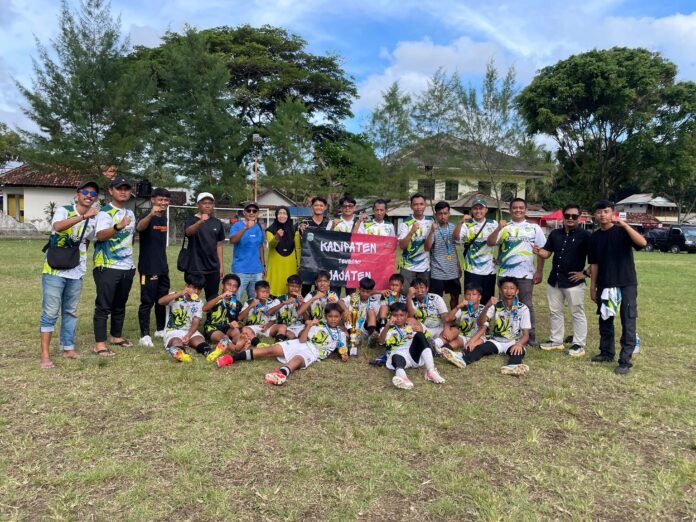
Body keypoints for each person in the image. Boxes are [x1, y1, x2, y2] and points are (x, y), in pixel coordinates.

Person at [39, 181, 99, 369]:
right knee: (50, 312)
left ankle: (68, 348)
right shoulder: (64, 210)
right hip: (54, 270)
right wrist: (83, 216)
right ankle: (45, 354)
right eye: (85, 192)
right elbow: (58, 227)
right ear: (77, 194)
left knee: (70, 312)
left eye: (93, 194)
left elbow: (88, 240)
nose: (89, 196)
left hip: (76, 271)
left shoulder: (94, 218)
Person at [216, 303, 349, 386]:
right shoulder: (318, 325)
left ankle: (281, 374)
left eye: (336, 317)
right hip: (300, 343)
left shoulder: (341, 334)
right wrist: (309, 326)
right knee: (270, 350)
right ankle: (231, 358)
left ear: (340, 317)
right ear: (325, 317)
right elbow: (302, 340)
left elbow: (342, 349)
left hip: (312, 352)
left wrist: (344, 355)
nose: (333, 319)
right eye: (330, 316)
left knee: (297, 359)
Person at [588, 200, 646, 375]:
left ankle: (625, 360)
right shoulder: (594, 237)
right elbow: (594, 264)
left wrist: (625, 225)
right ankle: (606, 353)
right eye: (599, 212)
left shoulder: (622, 231)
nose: (602, 215)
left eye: (606, 211)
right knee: (605, 319)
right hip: (605, 283)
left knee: (628, 320)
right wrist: (592, 287)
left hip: (626, 282)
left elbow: (642, 243)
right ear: (595, 215)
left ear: (612, 213)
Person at [533, 204, 591, 357]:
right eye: (567, 216)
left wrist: (585, 273)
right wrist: (539, 251)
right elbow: (547, 253)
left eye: (574, 216)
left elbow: (597, 258)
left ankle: (579, 344)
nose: (570, 218)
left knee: (577, 312)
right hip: (555, 280)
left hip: (574, 282)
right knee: (554, 312)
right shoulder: (555, 234)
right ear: (563, 216)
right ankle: (556, 340)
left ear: (579, 218)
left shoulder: (586, 236)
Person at [487, 198, 545, 347]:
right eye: (515, 208)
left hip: (525, 274)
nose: (518, 210)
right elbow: (490, 242)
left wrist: (539, 271)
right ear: (510, 210)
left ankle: (530, 337)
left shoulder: (534, 228)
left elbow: (541, 251)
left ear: (526, 210)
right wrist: (498, 228)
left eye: (521, 208)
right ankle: (504, 333)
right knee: (504, 305)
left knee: (527, 305)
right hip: (506, 273)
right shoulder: (505, 226)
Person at [445, 277, 531, 375]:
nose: (508, 291)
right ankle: (463, 360)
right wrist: (487, 306)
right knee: (481, 349)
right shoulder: (496, 306)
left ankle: (512, 367)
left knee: (518, 351)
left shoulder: (523, 309)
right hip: (496, 340)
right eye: (505, 288)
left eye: (512, 288)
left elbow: (526, 335)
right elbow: (480, 323)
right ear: (500, 290)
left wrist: (519, 344)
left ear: (517, 291)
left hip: (513, 341)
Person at [92, 177, 137, 356]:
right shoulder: (105, 213)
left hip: (127, 266)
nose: (123, 192)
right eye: (119, 188)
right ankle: (100, 344)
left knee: (120, 304)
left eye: (126, 189)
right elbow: (101, 235)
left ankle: (116, 336)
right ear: (111, 191)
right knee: (104, 306)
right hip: (107, 265)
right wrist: (118, 226)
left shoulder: (130, 213)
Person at [378, 302, 446, 390]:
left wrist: (420, 331)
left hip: (413, 354)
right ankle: (403, 377)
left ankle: (431, 371)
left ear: (406, 315)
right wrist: (387, 325)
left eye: (401, 315)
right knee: (395, 355)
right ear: (390, 316)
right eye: (395, 315)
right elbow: (381, 341)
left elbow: (427, 341)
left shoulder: (412, 326)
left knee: (420, 335)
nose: (398, 318)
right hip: (399, 354)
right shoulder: (387, 329)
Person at [136, 187, 171, 348]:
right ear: (153, 200)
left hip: (162, 266)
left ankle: (160, 329)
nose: (163, 202)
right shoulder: (146, 216)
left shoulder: (164, 218)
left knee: (161, 300)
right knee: (147, 301)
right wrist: (151, 214)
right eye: (160, 199)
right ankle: (144, 335)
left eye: (166, 200)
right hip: (148, 267)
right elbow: (139, 228)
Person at [453, 198, 498, 304]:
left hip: (489, 270)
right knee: (471, 300)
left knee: (487, 300)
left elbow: (501, 241)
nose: (478, 211)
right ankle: (470, 315)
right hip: (471, 270)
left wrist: (499, 258)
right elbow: (455, 238)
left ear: (486, 210)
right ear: (472, 210)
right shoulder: (467, 224)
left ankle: (485, 315)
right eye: (475, 209)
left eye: (481, 208)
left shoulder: (493, 224)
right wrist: (460, 223)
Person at [158, 274, 210, 362]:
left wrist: (188, 335)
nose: (196, 291)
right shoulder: (175, 296)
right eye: (194, 288)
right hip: (173, 331)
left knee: (199, 340)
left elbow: (196, 321)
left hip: (190, 331)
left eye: (199, 289)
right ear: (186, 286)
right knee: (176, 341)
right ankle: (180, 354)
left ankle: (207, 351)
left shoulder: (198, 302)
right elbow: (160, 301)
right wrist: (180, 293)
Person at [184, 192, 225, 300]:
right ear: (198, 205)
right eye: (204, 203)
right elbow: (188, 232)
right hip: (195, 267)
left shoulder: (217, 222)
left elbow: (219, 245)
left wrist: (221, 266)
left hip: (212, 268)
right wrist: (200, 222)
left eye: (210, 203)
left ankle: (210, 312)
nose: (207, 205)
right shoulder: (191, 220)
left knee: (212, 298)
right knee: (191, 297)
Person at [437, 283, 486, 363]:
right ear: (464, 296)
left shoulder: (484, 309)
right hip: (463, 335)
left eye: (474, 294)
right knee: (454, 343)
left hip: (478, 336)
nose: (470, 297)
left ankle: (460, 355)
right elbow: (447, 319)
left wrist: (472, 340)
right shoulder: (462, 308)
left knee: (477, 343)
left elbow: (483, 328)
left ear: (479, 297)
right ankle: (440, 351)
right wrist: (458, 306)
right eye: (468, 294)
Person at [425, 201, 461, 309]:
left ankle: (453, 317)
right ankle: (437, 318)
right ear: (436, 214)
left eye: (445, 213)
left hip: (452, 271)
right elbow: (427, 247)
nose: (443, 216)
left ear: (449, 214)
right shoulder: (432, 228)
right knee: (436, 299)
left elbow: (453, 247)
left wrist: (458, 264)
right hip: (437, 272)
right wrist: (432, 232)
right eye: (440, 213)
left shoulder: (453, 227)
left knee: (455, 297)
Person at [202, 274, 247, 360]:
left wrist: (237, 324)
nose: (231, 288)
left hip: (228, 327)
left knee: (236, 331)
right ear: (222, 286)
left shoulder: (237, 304)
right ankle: (237, 350)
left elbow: (238, 321)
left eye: (234, 286)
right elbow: (204, 308)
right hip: (213, 328)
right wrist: (220, 297)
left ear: (237, 290)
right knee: (223, 337)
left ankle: (239, 343)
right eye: (229, 284)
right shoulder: (215, 298)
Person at [229, 201, 266, 300]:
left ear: (258, 213)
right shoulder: (237, 226)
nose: (251, 213)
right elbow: (232, 240)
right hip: (240, 271)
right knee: (235, 299)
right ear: (244, 212)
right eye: (249, 210)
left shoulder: (259, 227)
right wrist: (246, 228)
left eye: (254, 211)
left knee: (256, 300)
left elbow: (260, 246)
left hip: (257, 271)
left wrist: (263, 266)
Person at [398, 193, 433, 288]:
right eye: (415, 204)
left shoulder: (431, 221)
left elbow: (429, 246)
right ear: (411, 206)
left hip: (425, 267)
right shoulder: (405, 223)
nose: (419, 207)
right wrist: (411, 232)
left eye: (421, 204)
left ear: (425, 205)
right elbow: (402, 246)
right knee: (406, 293)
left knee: (422, 294)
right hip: (408, 267)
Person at [265, 206, 300, 296]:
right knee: (274, 290)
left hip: (290, 265)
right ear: (276, 215)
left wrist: (299, 265)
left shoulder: (294, 230)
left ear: (288, 216)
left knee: (289, 290)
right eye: (280, 213)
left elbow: (298, 248)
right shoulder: (270, 230)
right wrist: (277, 237)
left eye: (284, 213)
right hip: (276, 265)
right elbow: (271, 245)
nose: (282, 216)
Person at [298, 196, 329, 295]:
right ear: (312, 207)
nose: (318, 207)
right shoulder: (305, 223)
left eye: (321, 205)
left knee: (320, 289)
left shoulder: (329, 223)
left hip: (323, 262)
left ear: (325, 207)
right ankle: (304, 305)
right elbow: (301, 242)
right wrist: (301, 231)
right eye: (316, 205)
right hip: (308, 261)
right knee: (305, 289)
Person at [342, 276, 381, 355]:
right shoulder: (353, 297)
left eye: (368, 292)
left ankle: (371, 336)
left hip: (365, 329)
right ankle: (351, 338)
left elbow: (377, 318)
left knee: (371, 311)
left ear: (372, 292)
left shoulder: (374, 302)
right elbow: (340, 301)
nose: (365, 294)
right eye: (363, 291)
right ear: (359, 289)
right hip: (351, 327)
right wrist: (346, 310)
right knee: (345, 312)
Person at [406, 277, 448, 347]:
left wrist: (446, 329)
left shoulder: (436, 298)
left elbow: (445, 316)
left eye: (422, 287)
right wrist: (409, 297)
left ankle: (434, 344)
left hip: (439, 328)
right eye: (416, 288)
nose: (419, 290)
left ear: (427, 288)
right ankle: (433, 343)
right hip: (422, 329)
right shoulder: (411, 300)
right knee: (409, 320)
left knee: (453, 329)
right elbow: (410, 315)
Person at [237, 280, 279, 346]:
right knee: (245, 329)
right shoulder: (249, 302)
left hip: (266, 326)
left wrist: (267, 326)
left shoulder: (271, 302)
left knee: (282, 327)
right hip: (253, 327)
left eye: (267, 292)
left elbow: (273, 320)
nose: (265, 294)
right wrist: (250, 306)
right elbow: (240, 317)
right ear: (256, 292)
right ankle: (258, 344)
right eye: (262, 292)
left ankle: (279, 341)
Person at [267, 274, 306, 340]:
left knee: (306, 332)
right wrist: (283, 303)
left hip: (298, 326)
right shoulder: (280, 299)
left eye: (297, 287)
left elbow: (306, 318)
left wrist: (302, 304)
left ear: (300, 288)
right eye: (292, 286)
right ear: (287, 285)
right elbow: (268, 312)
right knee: (289, 334)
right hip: (285, 327)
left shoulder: (301, 299)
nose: (294, 289)